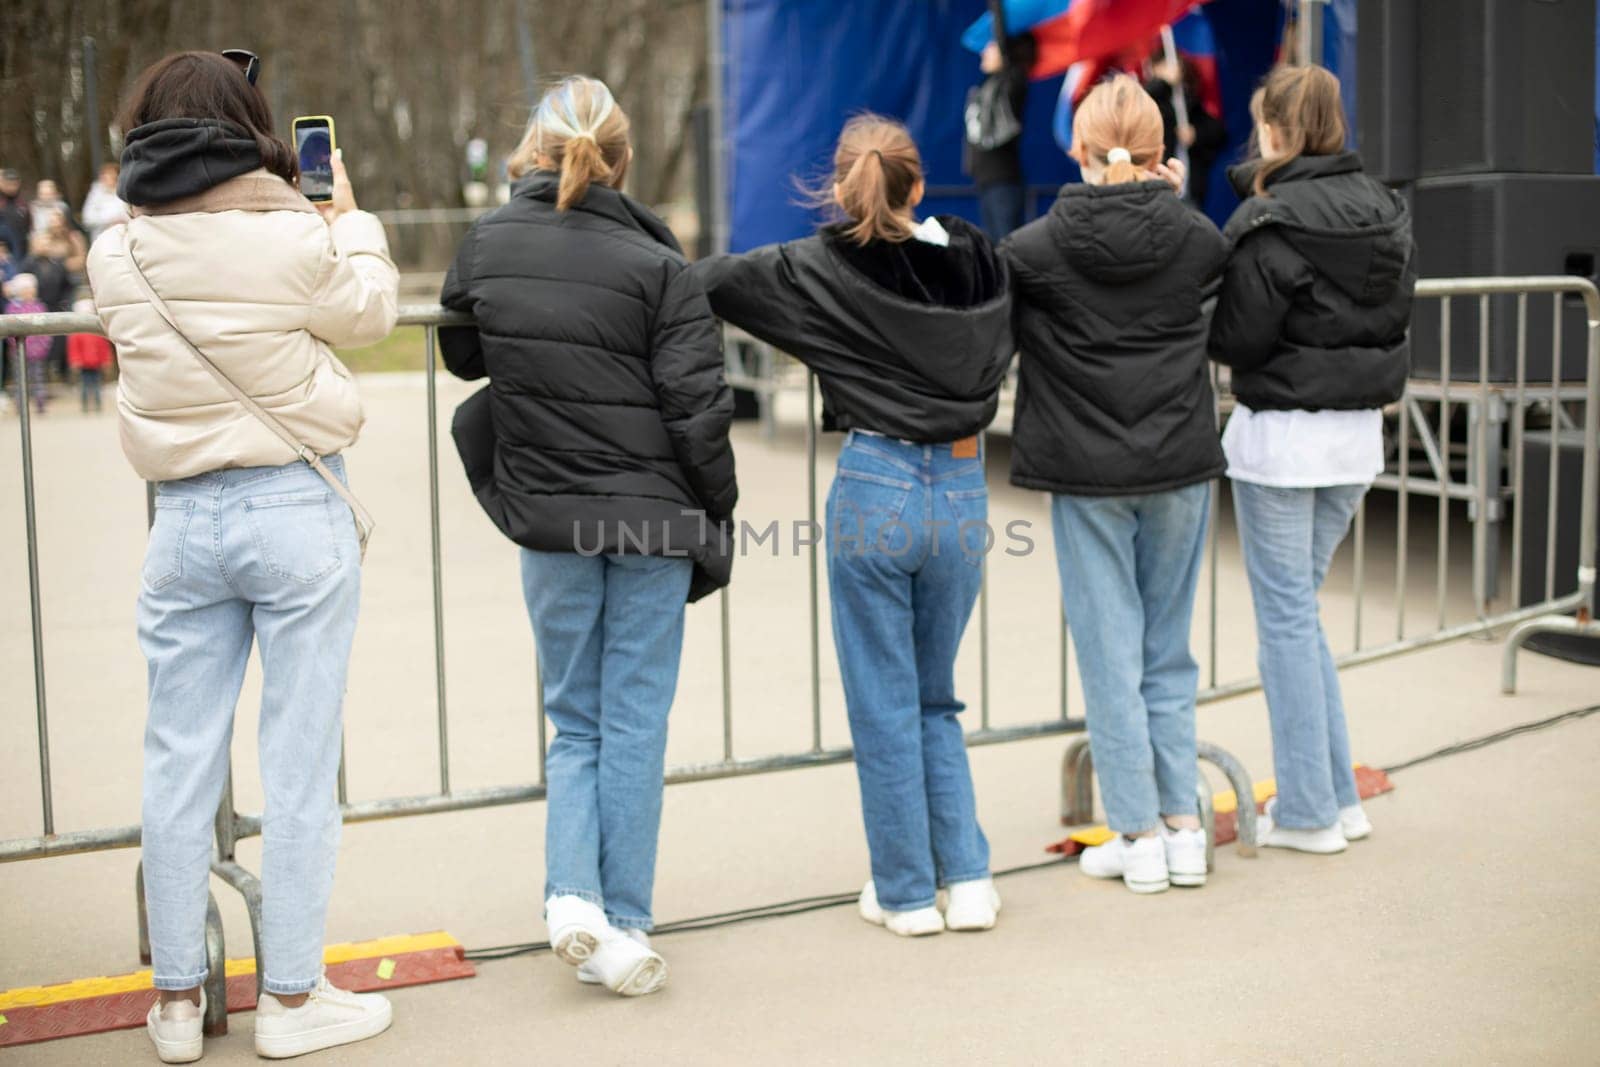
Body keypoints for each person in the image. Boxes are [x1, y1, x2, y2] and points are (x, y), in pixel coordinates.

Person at [86, 51, 398, 1061]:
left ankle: (177, 998)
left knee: (178, 758)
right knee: (299, 760)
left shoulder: (114, 253)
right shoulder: (287, 238)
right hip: (293, 501)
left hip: (181, 518)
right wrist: (345, 219)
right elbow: (368, 313)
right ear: (246, 128)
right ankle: (294, 998)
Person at [439, 75, 737, 997]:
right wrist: (718, 508)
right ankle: (626, 916)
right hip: (650, 517)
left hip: (552, 512)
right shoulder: (658, 261)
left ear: (533, 151)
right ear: (621, 158)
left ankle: (574, 901)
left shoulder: (489, 241)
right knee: (636, 719)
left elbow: (461, 351)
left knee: (576, 715)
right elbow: (699, 412)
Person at [692, 115, 1014, 937]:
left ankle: (906, 892)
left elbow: (714, 281)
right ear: (918, 182)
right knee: (936, 694)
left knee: (883, 697)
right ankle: (969, 880)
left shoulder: (818, 267)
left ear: (843, 187)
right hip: (965, 483)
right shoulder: (978, 257)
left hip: (878, 480)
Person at [1002, 75, 1225, 893]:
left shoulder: (1032, 249)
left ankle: (1135, 836)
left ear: (1079, 150)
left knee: (1109, 655)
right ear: (1163, 154)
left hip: (1086, 468)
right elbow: (1198, 257)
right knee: (1168, 652)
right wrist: (1174, 198)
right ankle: (1183, 828)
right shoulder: (1199, 237)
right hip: (1179, 463)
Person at [1208, 64, 1415, 855]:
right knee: (1303, 615)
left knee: (1287, 621)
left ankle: (1308, 812)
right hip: (1356, 439)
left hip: (1284, 443)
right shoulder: (1387, 210)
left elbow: (1235, 338)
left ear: (1279, 131)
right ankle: (1334, 798)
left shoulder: (1268, 220)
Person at [968, 33, 1037, 243]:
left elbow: (1004, 36)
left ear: (1004, 53)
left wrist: (996, 7)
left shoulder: (1012, 84)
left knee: (1006, 247)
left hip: (1004, 182)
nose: (984, 52)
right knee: (991, 247)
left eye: (991, 47)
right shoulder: (987, 88)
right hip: (985, 181)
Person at [1146, 55, 1227, 211]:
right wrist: (1162, 83)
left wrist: (1195, 133)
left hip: (1190, 192)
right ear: (1154, 68)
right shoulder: (1149, 101)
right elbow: (1140, 101)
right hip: (1157, 192)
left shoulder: (1186, 101)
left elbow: (1218, 132)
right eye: (1164, 66)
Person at [3, 273, 51, 412]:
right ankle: (20, 404)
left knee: (39, 378)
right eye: (26, 289)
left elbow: (47, 328)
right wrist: (15, 345)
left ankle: (40, 403)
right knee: (20, 379)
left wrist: (43, 345)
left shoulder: (39, 306)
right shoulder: (13, 308)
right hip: (18, 351)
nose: (30, 292)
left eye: (31, 289)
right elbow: (9, 329)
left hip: (38, 352)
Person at [67, 297, 113, 412]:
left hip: (96, 364)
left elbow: (104, 348)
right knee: (84, 386)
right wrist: (75, 361)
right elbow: (74, 349)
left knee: (97, 386)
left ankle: (97, 404)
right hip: (83, 365)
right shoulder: (76, 334)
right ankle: (85, 405)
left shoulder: (98, 332)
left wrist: (106, 360)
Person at [82, 162, 130, 242]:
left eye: (111, 175)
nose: (107, 178)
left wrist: (122, 220)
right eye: (104, 175)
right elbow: (87, 218)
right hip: (101, 237)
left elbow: (132, 214)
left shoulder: (125, 193)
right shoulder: (95, 194)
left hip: (124, 237)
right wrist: (110, 220)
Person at [0, 168, 28, 256]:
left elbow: (29, 225)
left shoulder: (23, 203)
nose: (12, 187)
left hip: (21, 247)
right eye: (9, 184)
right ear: (2, 183)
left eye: (14, 184)